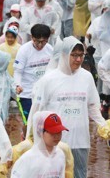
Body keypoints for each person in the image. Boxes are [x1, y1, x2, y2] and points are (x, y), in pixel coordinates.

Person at [29, 36, 105, 178]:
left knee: (79, 174)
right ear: (64, 55)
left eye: (81, 55)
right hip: (57, 141)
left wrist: (104, 126)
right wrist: (31, 136)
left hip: (81, 141)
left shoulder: (87, 77)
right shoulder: (49, 80)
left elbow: (93, 106)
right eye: (74, 55)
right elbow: (37, 111)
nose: (78, 59)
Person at [11, 112, 68, 178]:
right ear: (40, 132)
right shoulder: (27, 159)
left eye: (59, 132)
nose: (57, 136)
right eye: (53, 132)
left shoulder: (60, 155)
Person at [14, 24, 53, 119]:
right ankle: (26, 134)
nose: (40, 45)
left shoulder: (50, 49)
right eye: (37, 41)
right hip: (27, 93)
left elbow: (53, 70)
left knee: (44, 121)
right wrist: (18, 85)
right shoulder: (24, 50)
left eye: (43, 42)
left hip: (44, 93)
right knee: (29, 122)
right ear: (32, 37)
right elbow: (18, 71)